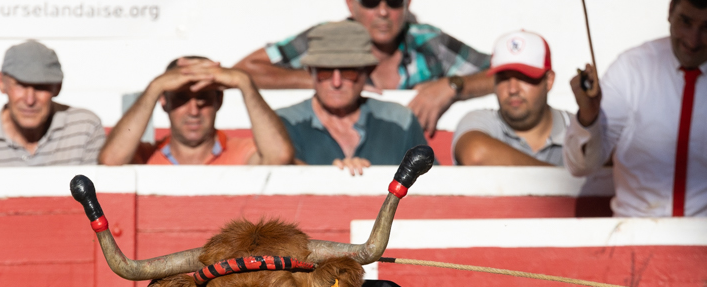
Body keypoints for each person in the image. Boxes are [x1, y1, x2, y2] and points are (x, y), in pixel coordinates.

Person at [565, 0, 707, 216]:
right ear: (670, 11)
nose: (693, 41)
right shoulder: (632, 70)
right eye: (685, 21)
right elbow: (581, 167)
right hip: (635, 239)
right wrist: (588, 118)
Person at [235, 0, 492, 135]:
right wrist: (317, 78)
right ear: (350, 3)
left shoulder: (429, 41)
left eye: (393, 1)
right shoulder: (327, 39)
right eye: (370, 1)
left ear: (407, 3)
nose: (382, 11)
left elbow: (502, 74)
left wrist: (453, 85)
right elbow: (247, 68)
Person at [275, 21, 426, 175]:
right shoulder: (282, 122)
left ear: (367, 72)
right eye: (324, 72)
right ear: (310, 72)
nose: (336, 82)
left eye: (348, 72)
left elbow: (432, 182)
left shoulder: (401, 120)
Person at [97, 56, 293, 166]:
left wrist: (244, 82)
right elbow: (111, 160)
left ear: (219, 100)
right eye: (181, 99)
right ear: (164, 102)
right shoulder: (147, 155)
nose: (193, 111)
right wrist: (155, 87)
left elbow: (278, 157)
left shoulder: (241, 151)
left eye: (203, 99)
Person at [0, 40, 104, 168]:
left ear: (57, 87)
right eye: (21, 85)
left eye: (41, 86)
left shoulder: (85, 129)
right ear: (1, 82)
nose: (30, 100)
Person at [452, 31, 571, 166]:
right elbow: (475, 154)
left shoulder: (578, 128)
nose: (513, 89)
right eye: (503, 78)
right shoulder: (480, 120)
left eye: (524, 77)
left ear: (549, 80)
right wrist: (563, 179)